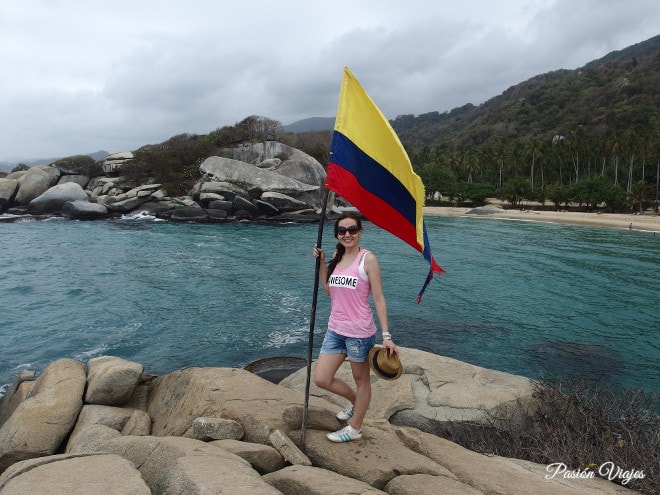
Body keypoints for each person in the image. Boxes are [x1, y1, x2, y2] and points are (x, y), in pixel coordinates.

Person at [312, 212, 398, 442]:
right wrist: (321, 264)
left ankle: (355, 429)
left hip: (359, 334)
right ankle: (354, 402)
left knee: (362, 381)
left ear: (360, 232)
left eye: (352, 230)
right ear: (337, 234)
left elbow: (379, 298)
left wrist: (387, 336)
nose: (347, 234)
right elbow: (330, 291)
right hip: (335, 330)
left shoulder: (367, 259)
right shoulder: (337, 257)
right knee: (321, 379)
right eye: (342, 231)